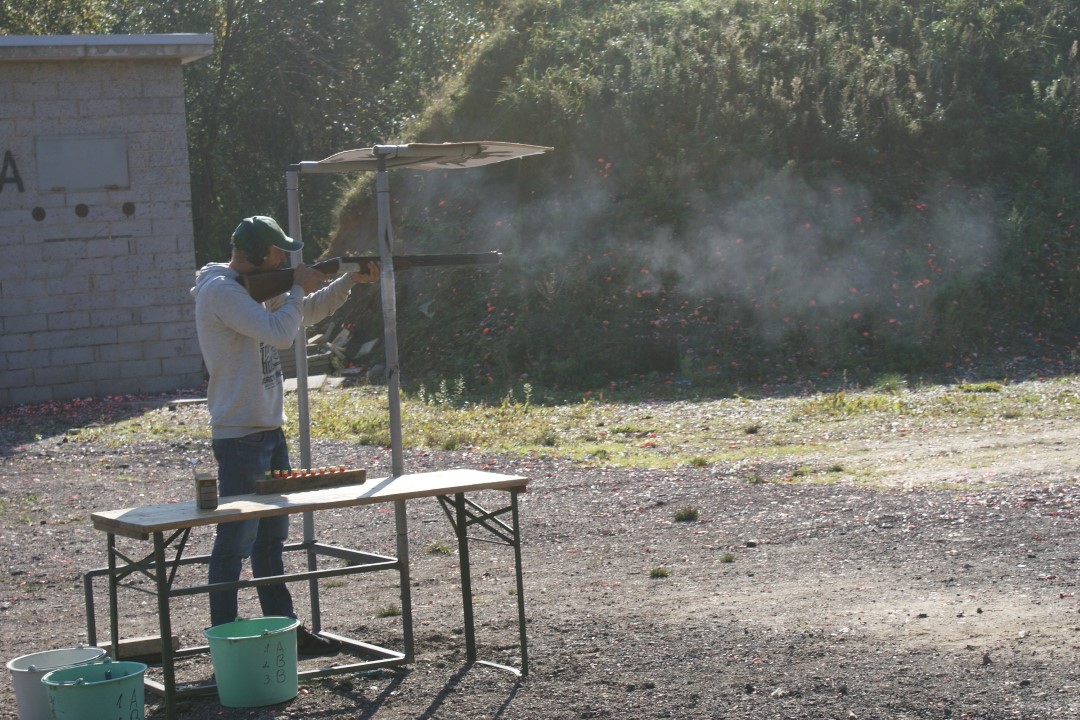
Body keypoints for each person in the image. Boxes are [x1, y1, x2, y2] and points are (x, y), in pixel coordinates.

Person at [191, 215, 378, 656]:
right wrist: (296, 286)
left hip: (268, 430)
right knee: (235, 543)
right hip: (240, 435)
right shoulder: (222, 291)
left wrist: (347, 281)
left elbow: (303, 314)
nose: (283, 259)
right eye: (277, 253)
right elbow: (279, 333)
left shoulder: (251, 289)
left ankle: (285, 631)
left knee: (271, 541)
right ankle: (226, 639)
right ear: (258, 253)